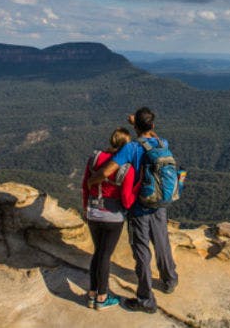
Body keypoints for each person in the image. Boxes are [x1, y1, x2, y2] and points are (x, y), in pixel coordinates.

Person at [88, 107, 178, 314]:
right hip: (160, 205)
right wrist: (139, 125)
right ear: (153, 126)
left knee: (142, 252)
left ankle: (146, 300)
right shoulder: (163, 143)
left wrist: (93, 180)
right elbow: (151, 135)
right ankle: (170, 279)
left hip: (139, 207)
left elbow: (109, 170)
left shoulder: (131, 148)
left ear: (136, 126)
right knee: (162, 242)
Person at [81, 127, 137, 311]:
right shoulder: (126, 168)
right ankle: (102, 297)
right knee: (105, 256)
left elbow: (85, 186)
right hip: (113, 217)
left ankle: (91, 294)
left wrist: (86, 209)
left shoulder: (95, 159)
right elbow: (127, 200)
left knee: (98, 253)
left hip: (93, 212)